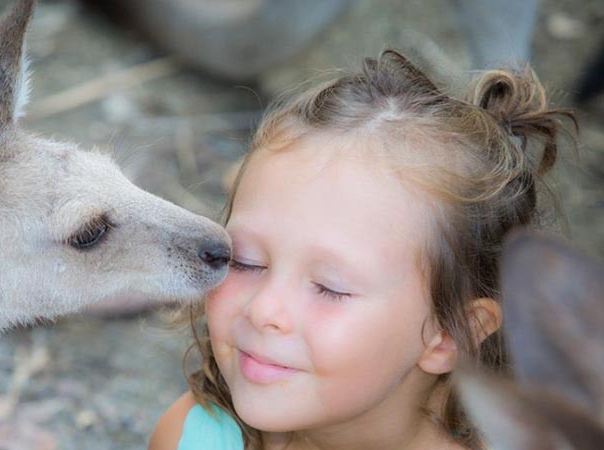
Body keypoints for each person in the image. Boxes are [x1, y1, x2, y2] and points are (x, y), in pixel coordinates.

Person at [148, 50, 575, 450]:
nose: (264, 310)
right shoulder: (192, 437)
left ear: (448, 333)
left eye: (330, 288)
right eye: (246, 261)